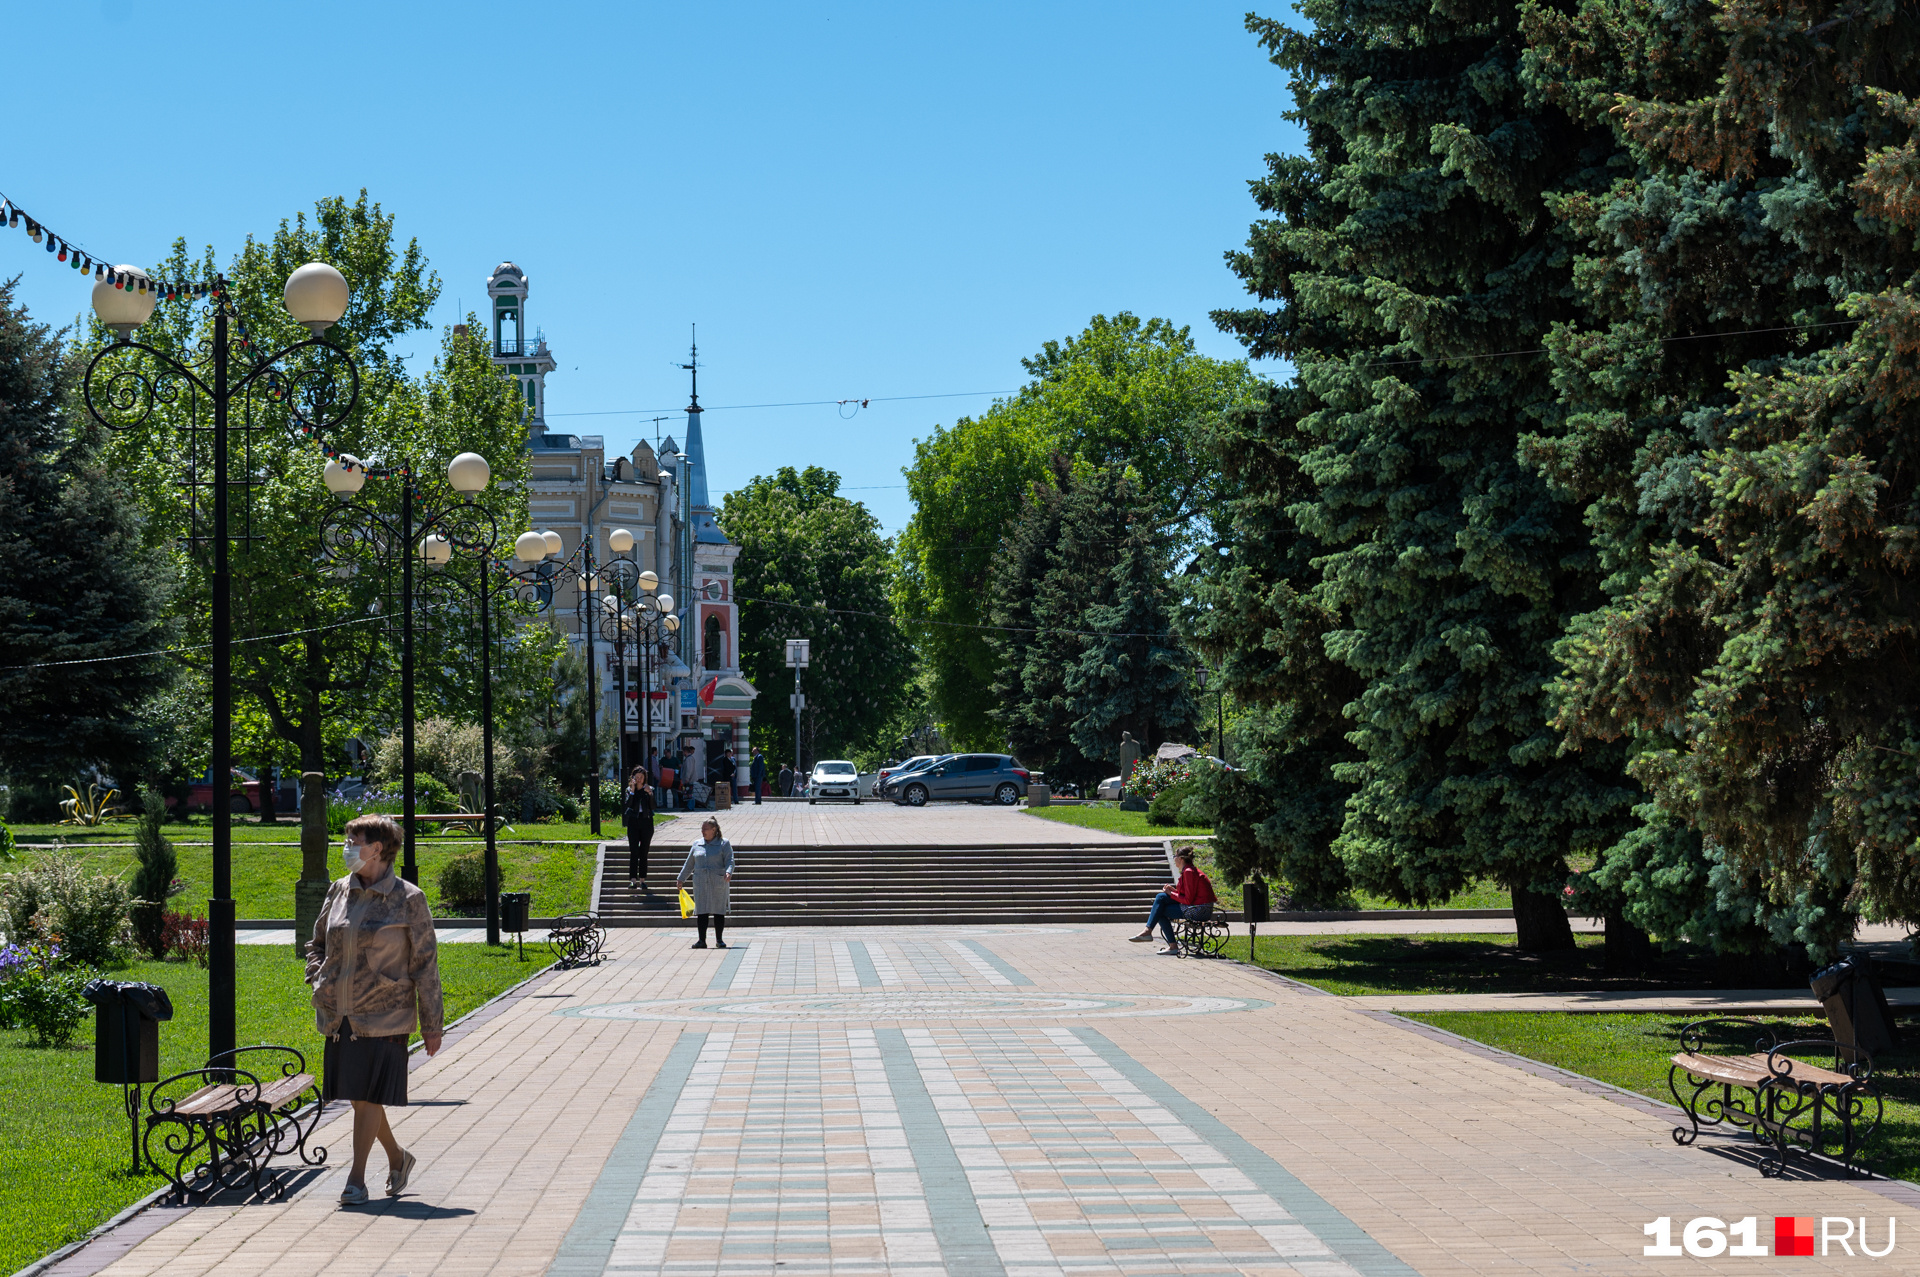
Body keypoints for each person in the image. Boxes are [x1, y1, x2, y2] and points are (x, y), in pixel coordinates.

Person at [305, 814, 443, 1205]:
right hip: (340, 1012)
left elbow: (425, 964)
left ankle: (356, 1179)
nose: (346, 847)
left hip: (386, 1014)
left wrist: (432, 1023)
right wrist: (318, 975)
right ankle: (399, 1158)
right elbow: (316, 942)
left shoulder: (409, 899)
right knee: (359, 1096)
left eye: (354, 841)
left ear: (377, 848)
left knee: (367, 1095)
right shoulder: (339, 890)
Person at [1129, 849, 1217, 954]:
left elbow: (1188, 900)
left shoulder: (1189, 872)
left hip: (1199, 910)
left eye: (1174, 856)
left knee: (1160, 909)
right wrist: (1174, 891)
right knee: (1161, 898)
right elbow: (1188, 895)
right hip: (1197, 907)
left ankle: (1164, 940)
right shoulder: (1189, 871)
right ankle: (1153, 934)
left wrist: (1171, 894)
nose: (1174, 859)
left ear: (1180, 858)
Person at [677, 817, 735, 949]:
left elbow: (730, 860)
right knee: (701, 910)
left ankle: (719, 940)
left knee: (718, 910)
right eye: (702, 829)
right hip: (701, 882)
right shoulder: (697, 844)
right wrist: (681, 878)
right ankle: (701, 940)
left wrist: (728, 872)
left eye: (705, 829)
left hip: (718, 881)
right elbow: (689, 863)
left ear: (714, 830)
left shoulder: (723, 843)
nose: (703, 831)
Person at [623, 766, 656, 890]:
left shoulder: (649, 789)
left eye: (641, 777)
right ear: (633, 778)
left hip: (646, 822)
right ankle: (633, 880)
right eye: (636, 777)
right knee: (634, 851)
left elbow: (653, 807)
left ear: (644, 778)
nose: (639, 779)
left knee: (644, 852)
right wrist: (632, 790)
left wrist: (650, 794)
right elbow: (628, 804)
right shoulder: (629, 790)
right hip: (633, 823)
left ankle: (642, 879)